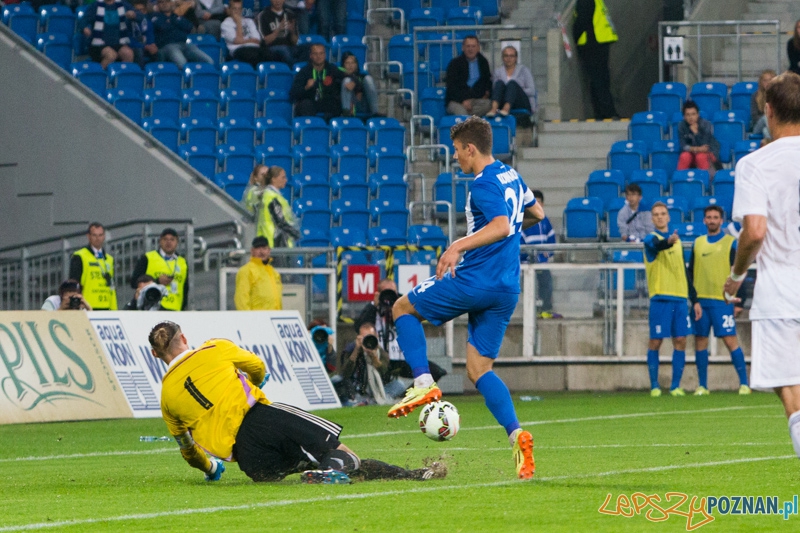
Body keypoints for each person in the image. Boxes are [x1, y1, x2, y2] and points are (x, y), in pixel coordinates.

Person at [388, 116, 542, 480]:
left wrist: (457, 245)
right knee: (479, 370)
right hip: (506, 288)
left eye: (457, 150)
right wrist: (506, 235)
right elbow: (536, 213)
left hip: (475, 280)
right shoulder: (511, 175)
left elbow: (501, 225)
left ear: (470, 148)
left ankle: (423, 384)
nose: (455, 157)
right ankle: (517, 435)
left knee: (402, 308)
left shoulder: (484, 182)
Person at [148, 321, 446, 483]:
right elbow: (257, 366)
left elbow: (188, 450)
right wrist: (255, 381)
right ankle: (333, 470)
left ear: (155, 354)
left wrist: (210, 469)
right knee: (344, 456)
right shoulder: (214, 348)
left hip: (251, 461)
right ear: (184, 338)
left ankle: (414, 475)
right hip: (264, 419)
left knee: (333, 466)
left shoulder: (167, 398)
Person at [724, 71, 800, 461]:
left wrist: (736, 275)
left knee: (794, 396)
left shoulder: (756, 164)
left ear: (768, 111)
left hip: (783, 293)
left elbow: (754, 231)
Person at [687, 205, 750, 395]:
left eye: (715, 217)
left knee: (731, 341)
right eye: (709, 217)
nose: (712, 220)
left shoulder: (731, 243)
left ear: (721, 221)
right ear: (704, 220)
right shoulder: (698, 243)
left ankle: (744, 384)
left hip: (723, 302)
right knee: (700, 341)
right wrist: (694, 300)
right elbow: (690, 273)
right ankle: (702, 385)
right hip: (701, 302)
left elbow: (739, 272)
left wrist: (739, 301)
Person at [353, 278, 446, 398]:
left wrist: (398, 303)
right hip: (380, 358)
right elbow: (359, 326)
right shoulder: (372, 310)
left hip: (401, 359)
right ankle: (366, 396)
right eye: (385, 293)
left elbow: (418, 315)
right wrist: (374, 306)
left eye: (392, 292)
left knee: (436, 371)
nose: (389, 297)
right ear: (378, 294)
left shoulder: (402, 306)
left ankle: (405, 397)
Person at [643, 202, 693, 397]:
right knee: (656, 341)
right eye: (656, 214)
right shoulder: (650, 238)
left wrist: (694, 298)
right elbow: (658, 246)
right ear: (652, 219)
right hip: (661, 297)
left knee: (680, 340)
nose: (660, 217)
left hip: (680, 298)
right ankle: (655, 385)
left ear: (668, 217)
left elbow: (683, 271)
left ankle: (675, 386)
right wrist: (668, 242)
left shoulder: (677, 242)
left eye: (663, 213)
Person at [572, 0, 618, 119]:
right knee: (600, 79)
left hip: (591, 43)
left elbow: (581, 21)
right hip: (601, 42)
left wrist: (575, 38)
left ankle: (607, 112)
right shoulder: (598, 1)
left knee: (598, 79)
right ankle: (602, 112)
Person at [520, 190, 561, 319]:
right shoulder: (523, 221)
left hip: (542, 262)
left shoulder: (545, 220)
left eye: (539, 202)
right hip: (527, 264)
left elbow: (551, 238)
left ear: (542, 204)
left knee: (546, 285)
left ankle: (545, 310)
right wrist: (528, 256)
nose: (536, 205)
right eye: (534, 202)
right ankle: (531, 313)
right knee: (530, 288)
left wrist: (548, 253)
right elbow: (520, 242)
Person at [129, 228, 189, 311]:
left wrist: (182, 309)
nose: (168, 242)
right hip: (153, 309)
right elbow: (134, 282)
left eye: (172, 239)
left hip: (175, 310)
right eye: (165, 239)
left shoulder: (183, 262)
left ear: (177, 242)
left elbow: (185, 289)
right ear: (160, 241)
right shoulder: (148, 258)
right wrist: (157, 281)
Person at [337, 322, 391, 406]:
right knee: (336, 380)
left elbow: (384, 372)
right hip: (356, 387)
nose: (367, 340)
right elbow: (345, 373)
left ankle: (372, 399)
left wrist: (373, 357)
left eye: (370, 337)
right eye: (364, 337)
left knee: (399, 386)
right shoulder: (351, 348)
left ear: (376, 336)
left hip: (377, 387)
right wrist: (356, 349)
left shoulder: (380, 351)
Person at [68, 222, 118, 311]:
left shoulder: (109, 259)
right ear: (88, 236)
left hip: (106, 307)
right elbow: (74, 283)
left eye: (100, 235)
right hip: (87, 306)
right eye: (94, 235)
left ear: (104, 236)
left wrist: (114, 309)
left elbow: (111, 285)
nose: (98, 238)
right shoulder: (80, 256)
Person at [152, 0, 215, 69]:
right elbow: (163, 27)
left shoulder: (176, 16)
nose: (164, 4)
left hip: (184, 44)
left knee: (209, 61)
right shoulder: (155, 17)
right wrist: (177, 23)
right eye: (161, 2)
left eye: (167, 1)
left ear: (171, 3)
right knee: (183, 65)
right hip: (168, 46)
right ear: (157, 5)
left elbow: (189, 27)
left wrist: (172, 22)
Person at [289, 43, 344, 120]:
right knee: (305, 105)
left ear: (325, 55)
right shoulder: (304, 72)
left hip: (327, 102)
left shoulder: (332, 69)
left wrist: (354, 85)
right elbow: (293, 94)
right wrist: (306, 88)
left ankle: (332, 125)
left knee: (337, 104)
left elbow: (347, 77)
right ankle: (312, 126)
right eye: (315, 54)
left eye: (321, 53)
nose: (319, 56)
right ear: (311, 55)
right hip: (311, 102)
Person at [445, 35, 492, 117]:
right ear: (463, 48)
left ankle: (469, 119)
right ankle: (470, 120)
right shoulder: (454, 63)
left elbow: (487, 81)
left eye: (473, 46)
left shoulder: (483, 62)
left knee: (489, 104)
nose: (470, 49)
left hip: (476, 100)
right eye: (468, 46)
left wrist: (486, 94)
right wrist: (463, 100)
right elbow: (451, 87)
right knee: (462, 113)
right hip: (457, 101)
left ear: (478, 48)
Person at [81, 0, 138, 68]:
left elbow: (139, 15)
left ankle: (122, 73)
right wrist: (84, 28)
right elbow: (83, 20)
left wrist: (133, 15)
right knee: (111, 55)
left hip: (119, 43)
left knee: (128, 54)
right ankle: (99, 73)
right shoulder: (95, 5)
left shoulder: (123, 4)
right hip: (99, 44)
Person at [486, 45, 537, 118]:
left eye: (511, 56)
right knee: (499, 83)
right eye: (506, 56)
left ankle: (506, 108)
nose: (508, 58)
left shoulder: (524, 71)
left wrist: (517, 91)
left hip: (521, 102)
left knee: (512, 84)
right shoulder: (497, 72)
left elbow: (532, 90)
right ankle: (493, 109)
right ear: (502, 58)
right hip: (502, 102)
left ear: (516, 58)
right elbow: (495, 90)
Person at [258, 166, 301, 249]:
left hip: (267, 241)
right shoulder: (272, 197)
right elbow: (280, 221)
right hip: (274, 242)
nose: (286, 180)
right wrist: (295, 233)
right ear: (274, 179)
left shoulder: (267, 195)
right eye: (283, 177)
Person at [234, 236, 283, 311]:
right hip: (257, 317)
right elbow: (241, 299)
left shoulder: (274, 273)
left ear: (269, 251)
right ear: (252, 251)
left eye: (264, 248)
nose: (261, 251)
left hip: (274, 316)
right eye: (258, 248)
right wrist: (248, 317)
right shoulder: (246, 271)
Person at [221, 0, 272, 67]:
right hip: (239, 49)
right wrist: (239, 22)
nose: (237, 11)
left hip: (255, 48)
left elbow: (257, 40)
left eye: (239, 9)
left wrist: (243, 41)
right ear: (229, 10)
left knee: (271, 55)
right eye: (234, 9)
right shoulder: (226, 24)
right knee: (252, 56)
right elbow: (238, 40)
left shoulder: (249, 21)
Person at [677, 100, 720, 171]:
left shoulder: (705, 124)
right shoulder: (681, 126)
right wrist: (697, 149)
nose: (691, 117)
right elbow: (683, 146)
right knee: (684, 156)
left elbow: (705, 146)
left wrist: (696, 133)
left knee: (700, 156)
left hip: (708, 154)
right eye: (688, 115)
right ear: (684, 117)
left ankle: (707, 177)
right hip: (691, 154)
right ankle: (680, 177)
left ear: (698, 114)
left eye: (693, 114)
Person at [256, 0, 299, 66]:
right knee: (284, 50)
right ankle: (293, 70)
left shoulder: (290, 14)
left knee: (307, 49)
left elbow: (295, 42)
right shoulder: (263, 15)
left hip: (289, 47)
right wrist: (278, 30)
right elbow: (265, 41)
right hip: (271, 48)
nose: (278, 1)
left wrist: (292, 32)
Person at [339, 52, 379, 117]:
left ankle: (375, 112)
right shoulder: (338, 74)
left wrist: (358, 88)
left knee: (368, 79)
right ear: (343, 65)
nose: (350, 65)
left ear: (356, 64)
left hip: (361, 104)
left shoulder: (362, 76)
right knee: (347, 80)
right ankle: (346, 112)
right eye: (347, 63)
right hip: (345, 104)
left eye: (353, 63)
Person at [751, 69, 776, 143]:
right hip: (758, 125)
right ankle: (776, 135)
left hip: (772, 124)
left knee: (765, 130)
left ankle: (771, 144)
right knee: (765, 117)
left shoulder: (778, 95)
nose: (767, 83)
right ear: (761, 82)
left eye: (770, 80)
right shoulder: (755, 96)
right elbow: (754, 116)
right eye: (765, 80)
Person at [130, 0, 158, 66]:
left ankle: (156, 70)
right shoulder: (129, 23)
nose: (139, 12)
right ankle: (140, 71)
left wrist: (152, 44)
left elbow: (150, 36)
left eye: (141, 10)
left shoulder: (148, 22)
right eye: (137, 10)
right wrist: (144, 46)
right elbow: (129, 39)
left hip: (146, 45)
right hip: (134, 46)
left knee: (156, 51)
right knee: (139, 51)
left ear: (145, 11)